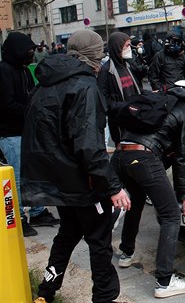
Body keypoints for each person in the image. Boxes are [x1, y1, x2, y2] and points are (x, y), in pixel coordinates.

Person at [21, 30, 131, 303]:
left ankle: (46, 292)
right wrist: (113, 186)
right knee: (99, 241)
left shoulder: (46, 82)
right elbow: (88, 144)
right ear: (94, 55)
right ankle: (103, 297)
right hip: (82, 181)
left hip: (58, 179)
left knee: (68, 233)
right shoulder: (84, 85)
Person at [111, 80, 185, 298]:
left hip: (121, 155)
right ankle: (165, 281)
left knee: (137, 199)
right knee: (170, 214)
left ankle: (126, 252)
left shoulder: (155, 102)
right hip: (143, 157)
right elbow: (181, 158)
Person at [1, 31, 61, 238]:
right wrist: (32, 109)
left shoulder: (24, 70)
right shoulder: (3, 71)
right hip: (11, 134)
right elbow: (7, 105)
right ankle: (19, 219)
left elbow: (32, 94)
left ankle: (37, 211)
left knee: (34, 174)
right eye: (28, 50)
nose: (31, 54)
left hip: (27, 131)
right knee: (17, 179)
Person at [98, 32, 142, 145]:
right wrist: (125, 107)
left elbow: (135, 88)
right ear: (117, 47)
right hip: (120, 124)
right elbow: (104, 101)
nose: (130, 49)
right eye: (127, 46)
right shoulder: (106, 70)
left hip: (134, 118)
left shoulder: (127, 65)